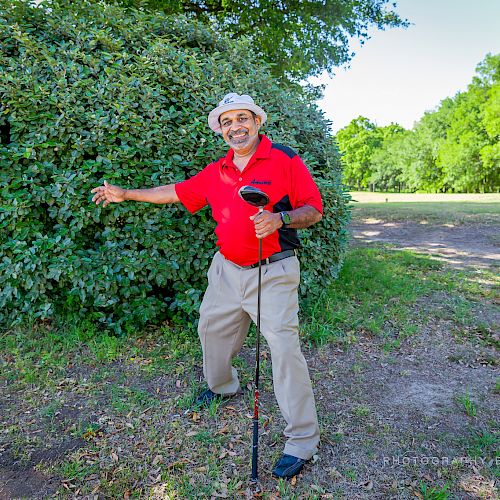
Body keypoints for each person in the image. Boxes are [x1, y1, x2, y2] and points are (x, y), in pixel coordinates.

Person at [91, 93, 323, 479]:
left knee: (283, 350)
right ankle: (222, 386)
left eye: (242, 118)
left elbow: (313, 209)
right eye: (227, 121)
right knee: (211, 331)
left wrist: (280, 219)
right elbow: (175, 192)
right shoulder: (217, 171)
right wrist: (126, 194)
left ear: (257, 121)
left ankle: (302, 440)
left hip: (274, 271)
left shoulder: (284, 159)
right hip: (226, 270)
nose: (236, 126)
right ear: (221, 130)